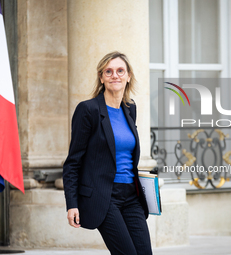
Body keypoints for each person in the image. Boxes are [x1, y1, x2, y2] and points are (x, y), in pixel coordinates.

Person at [63, 51, 153, 255]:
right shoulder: (88, 110)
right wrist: (72, 204)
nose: (115, 75)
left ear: (128, 76)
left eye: (121, 70)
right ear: (101, 77)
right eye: (109, 71)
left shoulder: (130, 108)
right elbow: (73, 162)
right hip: (104, 196)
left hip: (131, 196)